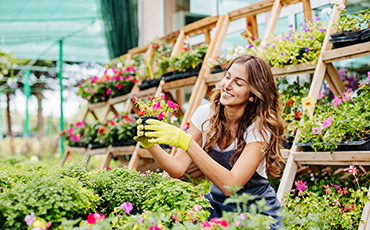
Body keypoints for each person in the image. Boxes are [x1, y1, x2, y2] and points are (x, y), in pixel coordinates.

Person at [135, 54, 285, 228]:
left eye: (238, 83)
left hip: (257, 213)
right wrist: (150, 144)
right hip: (218, 208)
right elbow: (178, 169)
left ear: (252, 94)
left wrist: (186, 142)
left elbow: (231, 185)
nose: (227, 86)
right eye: (227, 76)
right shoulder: (205, 115)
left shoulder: (259, 129)